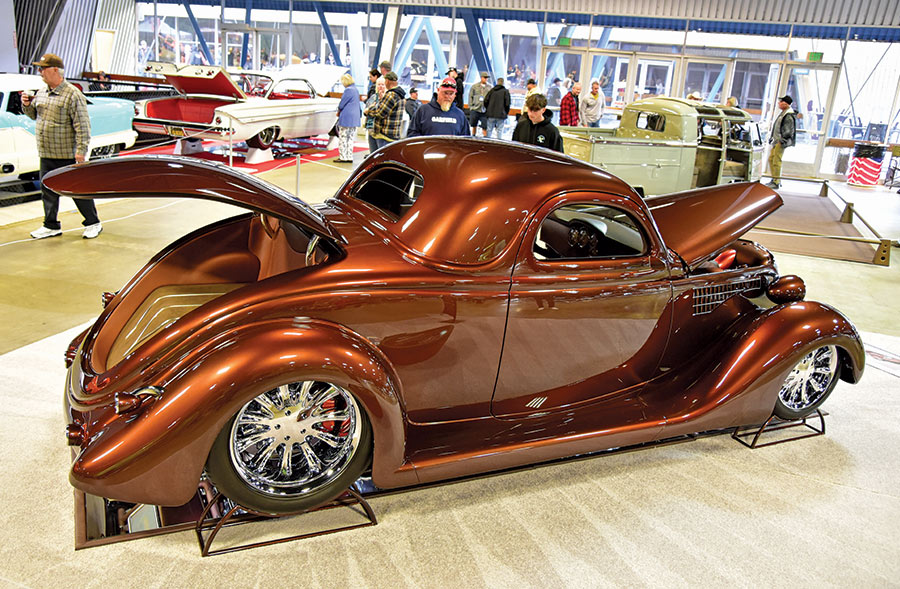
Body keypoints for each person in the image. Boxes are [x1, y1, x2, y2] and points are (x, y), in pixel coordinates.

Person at [23, 53, 101, 240]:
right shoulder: (42, 92)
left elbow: (82, 126)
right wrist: (26, 105)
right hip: (47, 153)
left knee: (78, 191)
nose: (40, 72)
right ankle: (51, 225)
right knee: (48, 191)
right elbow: (34, 116)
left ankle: (93, 223)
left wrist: (81, 152)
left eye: (43, 68)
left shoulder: (73, 94)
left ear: (55, 70)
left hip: (67, 154)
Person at [364, 71, 405, 148]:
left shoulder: (391, 95)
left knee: (379, 159)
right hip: (393, 133)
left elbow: (380, 112)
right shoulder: (401, 95)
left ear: (387, 81)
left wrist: (368, 110)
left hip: (385, 135)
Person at [767, 95, 797, 189]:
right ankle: (774, 179)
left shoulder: (788, 115)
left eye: (781, 102)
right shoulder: (783, 113)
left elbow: (788, 131)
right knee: (771, 159)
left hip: (780, 142)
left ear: (785, 103)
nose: (779, 104)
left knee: (776, 161)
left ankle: (776, 181)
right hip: (776, 141)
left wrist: (781, 140)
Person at [334, 73, 361, 163]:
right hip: (354, 118)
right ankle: (349, 156)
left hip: (347, 117)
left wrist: (338, 110)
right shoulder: (356, 90)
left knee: (343, 137)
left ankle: (343, 157)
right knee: (350, 138)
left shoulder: (348, 90)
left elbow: (342, 104)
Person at [364, 76, 386, 152]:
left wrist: (371, 109)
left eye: (382, 85)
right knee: (372, 152)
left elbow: (380, 112)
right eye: (379, 84)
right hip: (371, 127)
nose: (380, 86)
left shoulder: (387, 98)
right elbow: (366, 111)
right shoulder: (373, 97)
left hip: (381, 129)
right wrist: (370, 109)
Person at [468, 71, 490, 136]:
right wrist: (471, 107)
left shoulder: (489, 87)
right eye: (485, 77)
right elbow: (470, 96)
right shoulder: (474, 86)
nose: (486, 79)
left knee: (484, 126)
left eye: (487, 78)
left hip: (484, 110)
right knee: (473, 124)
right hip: (475, 109)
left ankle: (485, 138)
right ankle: (473, 136)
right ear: (481, 77)